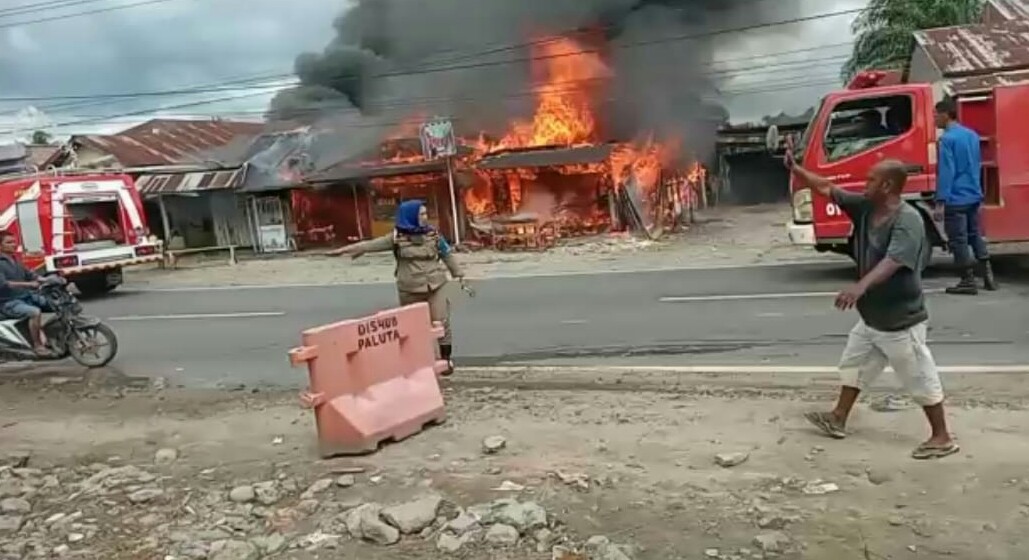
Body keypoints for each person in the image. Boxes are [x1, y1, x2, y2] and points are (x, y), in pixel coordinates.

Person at [788, 156, 958, 460]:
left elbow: (893, 261)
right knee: (853, 366)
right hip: (871, 318)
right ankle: (838, 417)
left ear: (888, 185)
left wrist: (859, 287)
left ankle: (942, 436)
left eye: (870, 180)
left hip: (900, 320)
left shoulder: (908, 219)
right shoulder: (866, 207)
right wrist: (796, 170)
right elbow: (827, 188)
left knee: (919, 377)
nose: (864, 184)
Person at [326, 200, 466, 375]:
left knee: (441, 321)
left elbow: (446, 253)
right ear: (410, 216)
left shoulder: (433, 235)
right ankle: (418, 362)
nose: (425, 217)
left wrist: (457, 272)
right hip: (409, 288)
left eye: (425, 214)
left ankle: (445, 360)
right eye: (421, 214)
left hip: (436, 284)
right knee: (412, 327)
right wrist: (347, 250)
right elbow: (371, 245)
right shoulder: (396, 237)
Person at [933, 98, 996, 295]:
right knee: (974, 234)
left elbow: (946, 171)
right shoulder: (972, 135)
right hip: (973, 193)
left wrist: (940, 201)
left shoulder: (946, 140)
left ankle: (967, 280)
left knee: (958, 240)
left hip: (956, 197)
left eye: (936, 115)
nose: (934, 119)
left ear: (946, 114)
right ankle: (988, 276)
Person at [0, 232, 52, 355]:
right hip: (8, 302)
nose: (14, 244)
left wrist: (46, 279)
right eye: (9, 242)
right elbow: (3, 284)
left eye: (14, 241)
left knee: (53, 303)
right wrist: (29, 285)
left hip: (25, 297)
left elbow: (29, 274)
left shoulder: (15, 259)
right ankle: (37, 345)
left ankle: (49, 336)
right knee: (34, 312)